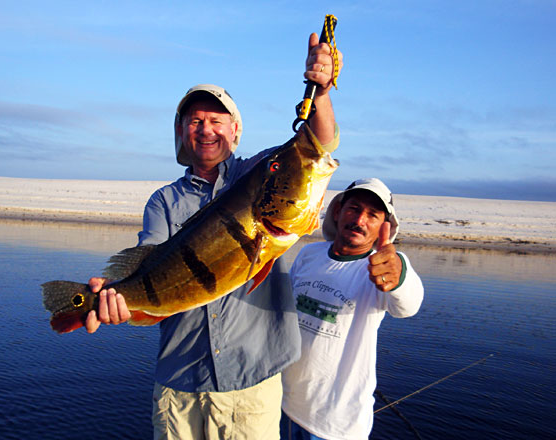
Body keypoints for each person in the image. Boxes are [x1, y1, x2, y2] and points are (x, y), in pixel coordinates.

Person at [84, 32, 343, 440]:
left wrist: (321, 90)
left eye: (216, 120)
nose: (206, 129)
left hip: (251, 386)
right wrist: (114, 299)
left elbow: (317, 142)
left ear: (235, 129)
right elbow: (145, 265)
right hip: (178, 387)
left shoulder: (257, 173)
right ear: (182, 132)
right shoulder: (163, 201)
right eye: (195, 121)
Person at [280, 178, 424, 440]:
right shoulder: (309, 254)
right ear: (338, 211)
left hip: (335, 426)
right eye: (354, 209)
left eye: (372, 215)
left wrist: (398, 276)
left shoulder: (383, 267)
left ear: (384, 226)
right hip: (283, 405)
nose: (360, 221)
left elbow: (408, 305)